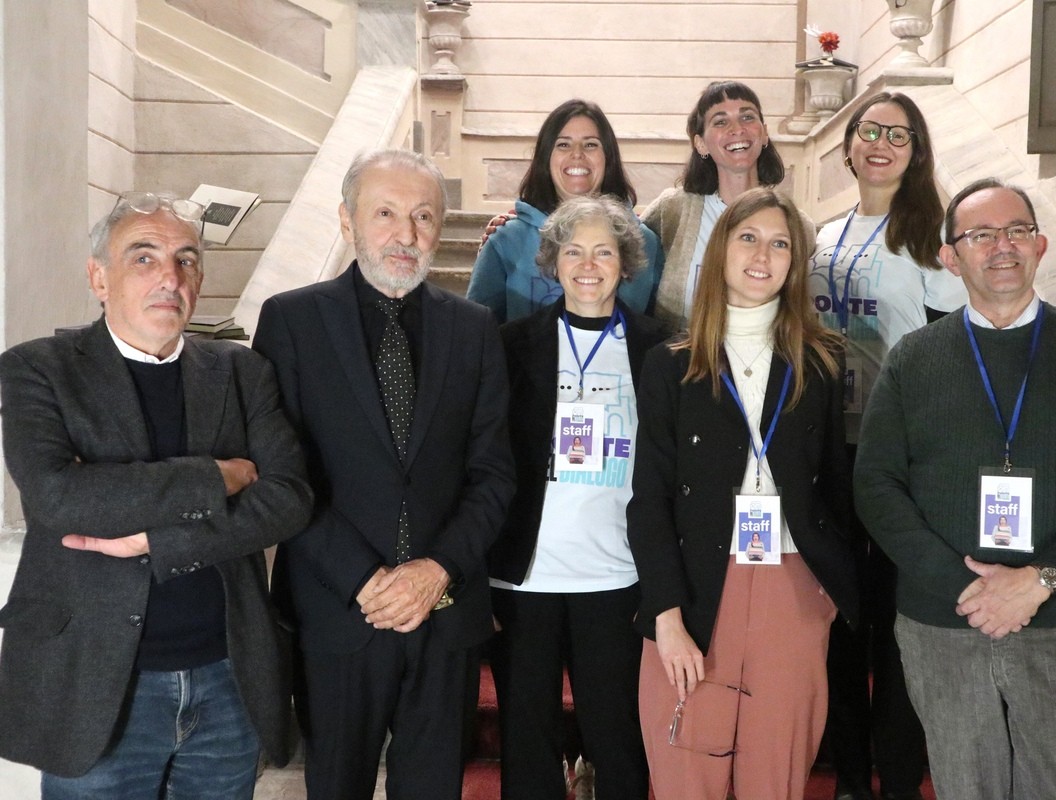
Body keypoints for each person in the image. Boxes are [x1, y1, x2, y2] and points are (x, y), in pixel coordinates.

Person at [0, 192, 313, 798]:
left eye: (186, 260)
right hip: (95, 684)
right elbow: (58, 499)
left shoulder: (242, 372)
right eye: (143, 258)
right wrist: (217, 477)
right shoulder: (39, 369)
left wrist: (158, 539)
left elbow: (289, 499)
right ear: (99, 277)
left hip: (226, 681)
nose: (170, 277)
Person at [854, 179, 1056, 800]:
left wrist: (1039, 580)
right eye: (981, 235)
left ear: (1040, 245)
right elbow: (878, 486)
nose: (1002, 246)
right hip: (943, 623)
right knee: (966, 786)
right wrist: (966, 588)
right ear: (950, 257)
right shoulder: (912, 359)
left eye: (1017, 230)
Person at [252, 149, 516, 800]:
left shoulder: (475, 329)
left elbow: (494, 474)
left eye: (423, 216)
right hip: (338, 611)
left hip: (445, 612)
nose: (406, 234)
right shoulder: (292, 321)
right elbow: (282, 473)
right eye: (386, 214)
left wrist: (436, 570)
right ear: (347, 221)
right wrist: (364, 580)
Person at [628, 187, 858, 799]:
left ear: (794, 262)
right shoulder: (670, 365)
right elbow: (649, 498)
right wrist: (665, 615)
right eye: (749, 238)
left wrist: (828, 596)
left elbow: (835, 487)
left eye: (780, 244)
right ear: (720, 250)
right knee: (685, 774)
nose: (763, 255)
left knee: (775, 776)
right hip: (697, 585)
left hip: (793, 588)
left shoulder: (821, 361)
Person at [808, 91, 965, 800]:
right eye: (869, 131)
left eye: (898, 136)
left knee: (898, 624)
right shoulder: (822, 236)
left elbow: (955, 352)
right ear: (848, 145)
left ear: (916, 151)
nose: (880, 144)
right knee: (842, 617)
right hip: (826, 450)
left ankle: (898, 777)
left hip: (898, 456)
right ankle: (849, 774)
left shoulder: (932, 240)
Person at [489, 195, 671, 800]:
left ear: (626, 263)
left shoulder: (660, 349)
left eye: (603, 252)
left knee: (618, 741)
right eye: (574, 251)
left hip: (617, 576)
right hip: (525, 579)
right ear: (553, 261)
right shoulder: (511, 346)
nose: (588, 265)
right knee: (527, 746)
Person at [467, 99, 663, 323]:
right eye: (563, 145)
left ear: (608, 157)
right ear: (546, 157)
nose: (577, 154)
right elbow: (476, 331)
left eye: (590, 144)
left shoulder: (646, 242)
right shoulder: (506, 240)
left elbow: (658, 332)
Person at [643, 80, 786, 329]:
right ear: (700, 143)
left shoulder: (794, 223)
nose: (737, 129)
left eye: (747, 117)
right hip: (679, 351)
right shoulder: (673, 209)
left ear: (764, 133)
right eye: (720, 121)